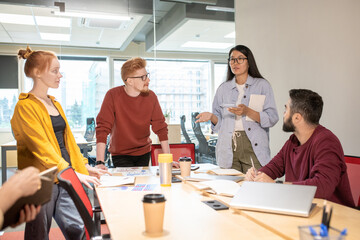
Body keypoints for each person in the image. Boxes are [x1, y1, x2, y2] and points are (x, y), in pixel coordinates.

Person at [11, 46, 109, 240]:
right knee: (38, 233)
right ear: (37, 73)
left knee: (78, 228)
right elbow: (41, 148)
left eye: (59, 70)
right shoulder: (25, 106)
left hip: (65, 176)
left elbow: (67, 143)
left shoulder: (55, 103)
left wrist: (83, 167)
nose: (60, 75)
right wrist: (72, 174)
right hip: (41, 181)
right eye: (55, 71)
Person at [245, 89, 355, 207]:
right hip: (300, 206)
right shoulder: (293, 141)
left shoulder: (327, 142)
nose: (284, 113)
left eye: (286, 109)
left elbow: (323, 187)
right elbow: (274, 167)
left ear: (297, 118)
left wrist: (276, 185)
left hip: (331, 216)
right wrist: (257, 175)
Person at [196, 45, 278, 173]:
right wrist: (212, 117)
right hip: (227, 146)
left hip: (253, 145)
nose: (235, 63)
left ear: (249, 62)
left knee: (256, 187)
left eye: (240, 59)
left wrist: (248, 112)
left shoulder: (262, 85)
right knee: (230, 188)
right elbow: (219, 127)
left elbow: (272, 118)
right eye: (232, 59)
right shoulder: (223, 89)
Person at [95, 57, 171, 168]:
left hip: (144, 152)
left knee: (142, 183)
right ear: (130, 81)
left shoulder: (151, 97)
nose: (148, 81)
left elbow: (161, 129)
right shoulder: (112, 95)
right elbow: (102, 129)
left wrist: (168, 161)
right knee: (127, 184)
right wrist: (100, 162)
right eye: (143, 77)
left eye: (147, 76)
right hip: (120, 154)